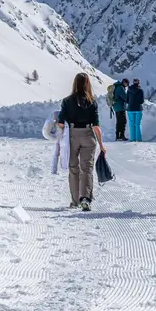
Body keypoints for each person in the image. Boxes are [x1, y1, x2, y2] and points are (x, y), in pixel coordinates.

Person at [56, 73, 106, 211]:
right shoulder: (92, 102)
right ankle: (85, 198)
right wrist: (101, 145)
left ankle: (75, 200)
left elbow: (60, 123)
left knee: (73, 168)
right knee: (87, 169)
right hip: (88, 135)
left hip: (72, 136)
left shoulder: (67, 101)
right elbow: (96, 126)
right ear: (87, 84)